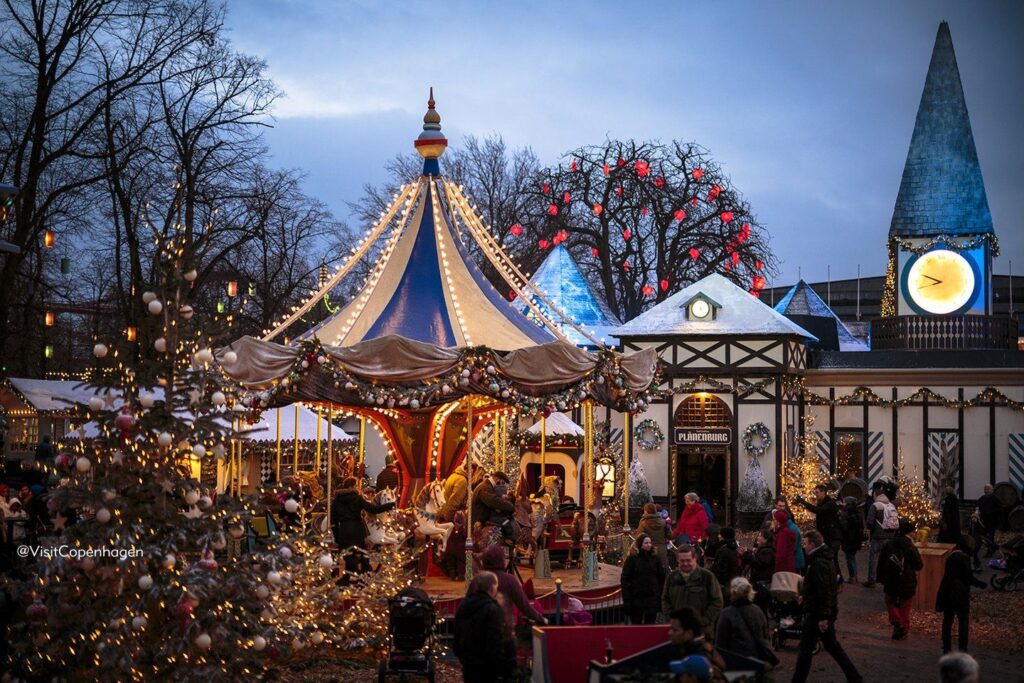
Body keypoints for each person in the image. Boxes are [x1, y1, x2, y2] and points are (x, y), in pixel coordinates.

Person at [790, 530, 863, 683]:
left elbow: (824, 591)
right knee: (831, 646)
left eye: (805, 543)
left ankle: (798, 680)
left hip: (817, 613)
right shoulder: (824, 558)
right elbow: (821, 588)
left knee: (806, 648)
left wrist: (824, 616)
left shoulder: (819, 563)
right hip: (821, 610)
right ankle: (854, 677)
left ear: (812, 544)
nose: (804, 547)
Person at [454, 571, 515, 682]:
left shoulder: (463, 605)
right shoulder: (492, 609)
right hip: (487, 667)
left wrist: (462, 656)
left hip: (469, 663)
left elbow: (457, 632)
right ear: (492, 587)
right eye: (496, 585)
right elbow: (494, 641)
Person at [329, 477, 396, 574]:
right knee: (360, 551)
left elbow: (333, 519)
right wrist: (389, 506)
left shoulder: (337, 500)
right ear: (352, 486)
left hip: (343, 529)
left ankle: (348, 575)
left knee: (347, 554)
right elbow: (372, 509)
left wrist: (336, 535)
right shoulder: (357, 498)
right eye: (356, 486)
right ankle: (362, 571)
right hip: (356, 529)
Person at [480, 545, 546, 640]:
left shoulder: (478, 580)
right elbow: (524, 605)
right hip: (504, 630)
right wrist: (541, 619)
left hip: (483, 630)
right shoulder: (509, 580)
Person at [935, 538, 987, 654]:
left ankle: (946, 647)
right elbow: (967, 576)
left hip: (947, 590)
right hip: (960, 592)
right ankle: (962, 647)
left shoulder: (950, 557)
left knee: (948, 620)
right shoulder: (964, 558)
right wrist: (980, 584)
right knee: (963, 620)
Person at [662, 544, 723, 639]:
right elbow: (665, 600)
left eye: (688, 560)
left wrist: (704, 621)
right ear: (677, 560)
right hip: (679, 632)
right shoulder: (672, 577)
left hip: (702, 633)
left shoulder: (707, 577)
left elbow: (717, 601)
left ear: (695, 559)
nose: (685, 563)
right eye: (682, 561)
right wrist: (671, 620)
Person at [878, 519, 924, 640]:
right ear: (909, 533)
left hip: (891, 579)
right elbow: (919, 565)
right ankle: (903, 627)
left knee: (890, 602)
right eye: (914, 531)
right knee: (905, 605)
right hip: (906, 580)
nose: (915, 533)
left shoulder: (888, 544)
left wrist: (881, 578)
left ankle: (896, 622)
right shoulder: (910, 547)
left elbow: (881, 562)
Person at [714, 577, 773, 664]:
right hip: (757, 659)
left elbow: (720, 643)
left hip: (736, 660)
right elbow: (765, 636)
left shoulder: (726, 613)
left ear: (732, 592)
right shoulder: (758, 610)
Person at [795, 484, 843, 580]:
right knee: (830, 558)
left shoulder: (830, 503)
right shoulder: (821, 503)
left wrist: (804, 502)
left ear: (823, 492)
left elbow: (819, 511)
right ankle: (833, 579)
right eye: (815, 492)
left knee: (833, 558)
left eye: (817, 492)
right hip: (827, 536)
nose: (815, 494)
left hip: (833, 537)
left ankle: (838, 580)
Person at [621, 534, 666, 624]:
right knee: (636, 624)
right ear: (640, 544)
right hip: (637, 598)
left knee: (650, 623)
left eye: (650, 543)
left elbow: (661, 577)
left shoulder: (655, 558)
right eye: (646, 543)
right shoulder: (632, 559)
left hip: (652, 597)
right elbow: (626, 578)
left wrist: (659, 595)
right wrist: (627, 599)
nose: (649, 545)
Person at [667, 607, 727, 674]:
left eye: (674, 630)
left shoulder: (700, 658)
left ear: (689, 633)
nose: (669, 633)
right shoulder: (687, 649)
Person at [863, 484, 899, 587]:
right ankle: (887, 579)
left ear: (875, 495)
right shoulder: (891, 505)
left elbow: (869, 522)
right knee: (888, 558)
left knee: (873, 558)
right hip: (891, 535)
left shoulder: (875, 506)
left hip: (878, 536)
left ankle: (872, 580)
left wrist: (868, 530)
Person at [710, 527, 741, 604]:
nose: (718, 536)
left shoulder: (724, 551)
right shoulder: (733, 548)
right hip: (732, 583)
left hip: (724, 586)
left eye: (720, 534)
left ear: (724, 536)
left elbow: (721, 570)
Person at [635, 502, 670, 569]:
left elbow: (639, 537)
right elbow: (670, 536)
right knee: (661, 572)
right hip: (661, 551)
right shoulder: (664, 522)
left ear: (646, 511)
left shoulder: (643, 523)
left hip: (648, 551)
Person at [840, 496, 866, 584]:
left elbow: (844, 527)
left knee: (849, 558)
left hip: (848, 539)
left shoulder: (845, 513)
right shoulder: (858, 512)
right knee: (852, 557)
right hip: (856, 539)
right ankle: (855, 576)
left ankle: (853, 577)